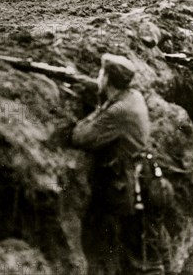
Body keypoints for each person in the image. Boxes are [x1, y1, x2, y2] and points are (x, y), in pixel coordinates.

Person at [72, 54, 168, 275]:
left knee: (142, 260)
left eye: (101, 74)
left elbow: (80, 137)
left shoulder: (118, 112)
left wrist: (98, 109)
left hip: (134, 189)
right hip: (149, 179)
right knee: (153, 244)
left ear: (107, 79)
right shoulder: (132, 96)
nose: (98, 77)